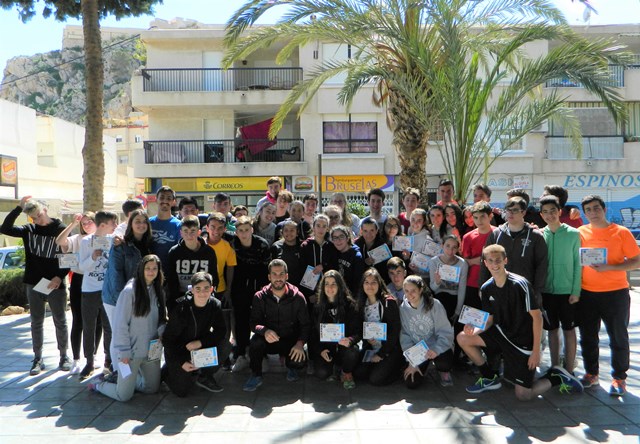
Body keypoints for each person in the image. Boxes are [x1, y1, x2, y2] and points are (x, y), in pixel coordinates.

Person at [457, 245, 583, 400]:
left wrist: (536, 351)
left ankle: (557, 376)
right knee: (463, 337)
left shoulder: (520, 284)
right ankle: (489, 377)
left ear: (505, 261)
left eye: (498, 260)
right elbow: (489, 320)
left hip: (523, 343)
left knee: (523, 395)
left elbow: (537, 317)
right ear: (485, 263)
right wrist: (474, 330)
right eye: (491, 261)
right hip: (501, 335)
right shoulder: (486, 288)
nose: (495, 264)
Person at [576, 195, 640, 396]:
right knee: (587, 337)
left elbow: (636, 261)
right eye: (589, 210)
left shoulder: (621, 232)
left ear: (604, 209)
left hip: (615, 293)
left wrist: (610, 266)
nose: (593, 213)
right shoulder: (580, 232)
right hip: (587, 293)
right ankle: (591, 374)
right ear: (584, 213)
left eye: (596, 208)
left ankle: (619, 378)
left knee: (618, 337)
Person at [1, 197, 70, 375]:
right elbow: (5, 228)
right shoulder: (29, 230)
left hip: (55, 283)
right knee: (36, 322)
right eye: (33, 218)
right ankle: (38, 358)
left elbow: (70, 256)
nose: (38, 220)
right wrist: (18, 207)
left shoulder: (60, 228)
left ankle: (64, 356)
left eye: (39, 215)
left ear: (45, 210)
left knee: (60, 320)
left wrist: (59, 277)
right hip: (34, 282)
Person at [89, 255, 167, 401]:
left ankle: (125, 381)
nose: (151, 272)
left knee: (152, 388)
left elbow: (162, 319)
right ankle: (100, 384)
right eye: (148, 268)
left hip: (150, 352)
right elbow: (120, 324)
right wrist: (124, 351)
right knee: (123, 396)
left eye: (154, 268)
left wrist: (162, 333)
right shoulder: (129, 291)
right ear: (141, 269)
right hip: (130, 353)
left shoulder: (158, 291)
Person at [243, 259, 310, 391]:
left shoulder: (298, 297)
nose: (278, 278)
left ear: (287, 276)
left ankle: (291, 366)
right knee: (255, 343)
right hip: (268, 340)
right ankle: (256, 374)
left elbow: (306, 325)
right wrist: (264, 331)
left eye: (281, 274)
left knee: (300, 362)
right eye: (274, 274)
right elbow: (253, 323)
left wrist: (300, 343)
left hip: (289, 340)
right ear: (269, 277)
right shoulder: (259, 297)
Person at [162, 272, 228, 396]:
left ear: (212, 289)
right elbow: (168, 339)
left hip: (199, 347)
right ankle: (168, 370)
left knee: (225, 346)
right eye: (198, 289)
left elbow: (221, 331)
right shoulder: (181, 308)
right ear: (192, 290)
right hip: (180, 350)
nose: (202, 293)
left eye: (206, 288)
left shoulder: (215, 304)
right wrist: (181, 361)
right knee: (182, 392)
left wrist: (200, 342)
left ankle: (204, 375)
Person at [479, 196, 548, 309]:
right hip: (499, 290)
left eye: (515, 210)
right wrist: (482, 287)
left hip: (525, 292)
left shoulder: (535, 236)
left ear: (523, 212)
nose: (510, 213)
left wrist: (536, 291)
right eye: (508, 210)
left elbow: (542, 266)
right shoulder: (496, 234)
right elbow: (485, 262)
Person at [539, 196, 581, 376]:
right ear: (541, 215)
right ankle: (555, 367)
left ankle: (569, 369)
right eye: (546, 212)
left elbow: (578, 263)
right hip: (548, 292)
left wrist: (576, 290)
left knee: (569, 330)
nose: (550, 215)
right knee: (552, 330)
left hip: (568, 292)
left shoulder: (573, 234)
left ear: (560, 212)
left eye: (553, 211)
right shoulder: (540, 235)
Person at [55, 212, 100, 375]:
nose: (87, 225)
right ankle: (75, 358)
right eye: (84, 223)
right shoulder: (77, 239)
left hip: (97, 280)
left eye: (90, 222)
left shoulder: (102, 238)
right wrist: (73, 224)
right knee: (78, 320)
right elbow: (60, 241)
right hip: (79, 281)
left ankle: (92, 357)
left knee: (98, 321)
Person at [78, 210, 118, 380]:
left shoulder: (113, 240)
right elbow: (81, 267)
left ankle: (108, 360)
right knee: (89, 327)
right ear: (103, 225)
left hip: (107, 289)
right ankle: (88, 361)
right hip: (90, 290)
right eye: (112, 223)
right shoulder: (87, 241)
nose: (115, 226)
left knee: (109, 327)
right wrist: (93, 257)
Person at [230, 216, 271, 372]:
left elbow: (265, 271)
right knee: (241, 322)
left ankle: (262, 355)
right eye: (240, 230)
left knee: (260, 321)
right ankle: (241, 354)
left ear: (252, 230)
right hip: (239, 289)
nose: (244, 233)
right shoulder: (232, 244)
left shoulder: (262, 244)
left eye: (247, 230)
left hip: (258, 288)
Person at [400, 275, 454, 389]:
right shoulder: (402, 309)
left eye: (413, 291)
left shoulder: (435, 304)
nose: (410, 295)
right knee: (411, 382)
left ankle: (442, 370)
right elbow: (404, 335)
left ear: (420, 290)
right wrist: (412, 360)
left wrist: (436, 349)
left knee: (444, 363)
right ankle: (425, 366)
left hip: (435, 346)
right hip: (418, 350)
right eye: (406, 291)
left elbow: (445, 331)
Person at [310, 270, 362, 389]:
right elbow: (313, 334)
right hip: (327, 349)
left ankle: (345, 372)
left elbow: (358, 331)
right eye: (327, 284)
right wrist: (320, 351)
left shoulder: (350, 305)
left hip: (344, 348)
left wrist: (350, 340)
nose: (330, 287)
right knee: (321, 373)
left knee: (353, 352)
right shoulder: (318, 307)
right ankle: (334, 368)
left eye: (334, 284)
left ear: (340, 285)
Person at [103, 209, 152, 326]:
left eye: (144, 221)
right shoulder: (120, 244)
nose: (141, 225)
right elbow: (115, 274)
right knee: (120, 337)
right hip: (117, 299)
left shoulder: (150, 245)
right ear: (130, 224)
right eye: (137, 221)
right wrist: (123, 301)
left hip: (140, 298)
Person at [354, 268, 403, 386]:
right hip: (371, 347)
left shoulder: (388, 302)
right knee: (358, 374)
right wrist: (366, 338)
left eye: (373, 282)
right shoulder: (361, 302)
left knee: (375, 379)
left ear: (379, 283)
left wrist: (382, 353)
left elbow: (395, 331)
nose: (370, 286)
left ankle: (399, 369)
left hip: (389, 349)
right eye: (366, 282)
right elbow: (360, 328)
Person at [166, 215, 219, 313]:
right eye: (185, 231)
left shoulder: (209, 252)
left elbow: (214, 277)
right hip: (180, 299)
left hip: (203, 299)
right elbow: (170, 280)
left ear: (199, 232)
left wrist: (208, 296)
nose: (189, 235)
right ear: (181, 233)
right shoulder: (174, 252)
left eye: (193, 231)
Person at [205, 212, 237, 368]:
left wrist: (229, 290)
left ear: (225, 229)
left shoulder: (227, 247)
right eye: (212, 227)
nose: (216, 231)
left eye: (219, 228)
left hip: (220, 290)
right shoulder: (200, 244)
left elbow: (230, 268)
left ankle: (224, 357)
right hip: (202, 292)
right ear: (207, 227)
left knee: (223, 327)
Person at [461, 201, 496, 309]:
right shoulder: (468, 237)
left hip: (494, 281)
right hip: (472, 283)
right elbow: (463, 261)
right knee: (473, 318)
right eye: (475, 217)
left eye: (482, 217)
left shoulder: (499, 233)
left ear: (490, 216)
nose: (479, 220)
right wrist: (474, 261)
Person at [428, 235, 468, 324]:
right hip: (439, 296)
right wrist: (437, 282)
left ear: (458, 249)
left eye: (454, 247)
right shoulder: (433, 262)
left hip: (454, 297)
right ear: (442, 245)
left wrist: (458, 311)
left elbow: (462, 289)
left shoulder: (462, 264)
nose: (450, 250)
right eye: (448, 246)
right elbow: (433, 288)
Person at [299, 215, 339, 303]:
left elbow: (335, 266)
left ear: (327, 228)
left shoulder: (331, 247)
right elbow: (301, 270)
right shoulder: (305, 246)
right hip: (310, 291)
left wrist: (324, 265)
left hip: (328, 290)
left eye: (324, 226)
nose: (321, 229)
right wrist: (309, 294)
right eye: (318, 226)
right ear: (313, 227)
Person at [149, 186, 182, 274]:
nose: (165, 201)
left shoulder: (179, 225)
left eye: (169, 198)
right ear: (156, 200)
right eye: (162, 197)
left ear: (173, 202)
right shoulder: (148, 223)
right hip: (150, 272)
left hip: (171, 273)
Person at [330, 225, 365, 296]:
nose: (338, 240)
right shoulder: (334, 252)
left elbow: (358, 284)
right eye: (335, 238)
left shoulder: (356, 256)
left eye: (341, 237)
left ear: (347, 238)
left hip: (350, 296)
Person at [270, 220, 304, 288]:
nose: (289, 233)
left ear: (297, 232)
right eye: (286, 230)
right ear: (282, 232)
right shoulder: (276, 246)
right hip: (281, 287)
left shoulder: (303, 246)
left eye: (292, 230)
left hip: (301, 287)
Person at [355, 217, 388, 283]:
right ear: (361, 231)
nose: (369, 234)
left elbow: (386, 267)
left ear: (376, 231)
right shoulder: (357, 245)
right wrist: (365, 263)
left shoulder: (382, 245)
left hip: (379, 280)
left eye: (372, 230)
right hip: (361, 281)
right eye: (365, 231)